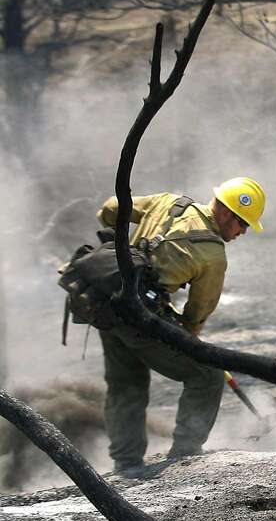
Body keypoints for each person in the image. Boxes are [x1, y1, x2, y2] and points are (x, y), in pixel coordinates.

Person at [94, 177, 265, 475]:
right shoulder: (213, 254)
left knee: (126, 384)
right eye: (242, 223)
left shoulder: (168, 203)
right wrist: (187, 337)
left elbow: (110, 209)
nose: (243, 232)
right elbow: (198, 313)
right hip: (141, 318)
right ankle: (185, 457)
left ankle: (127, 465)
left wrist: (122, 246)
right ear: (225, 213)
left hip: (107, 302)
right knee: (207, 374)